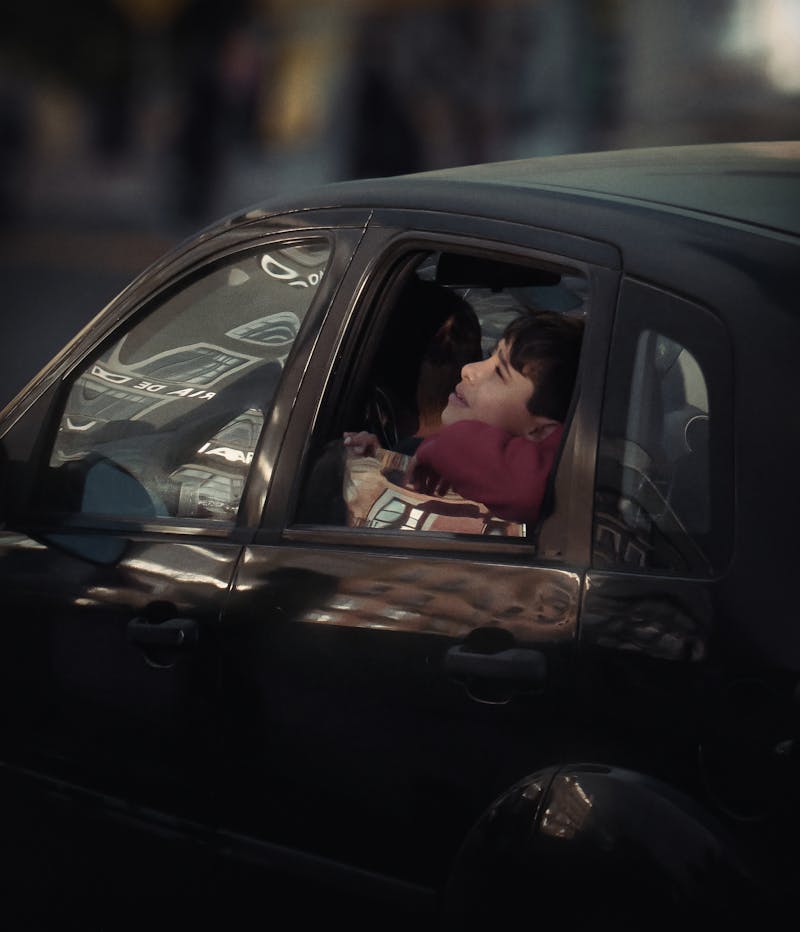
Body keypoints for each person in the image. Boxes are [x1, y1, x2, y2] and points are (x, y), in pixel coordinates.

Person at [346, 310, 583, 526]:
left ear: (541, 431)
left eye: (500, 373)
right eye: (489, 355)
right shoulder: (438, 453)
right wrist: (382, 461)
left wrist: (442, 447)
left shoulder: (562, 482)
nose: (469, 369)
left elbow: (527, 486)